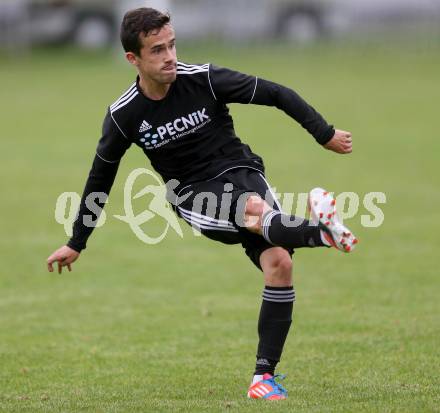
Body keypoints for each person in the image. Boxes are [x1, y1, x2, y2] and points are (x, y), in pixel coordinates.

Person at [46, 7, 357, 400]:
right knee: (256, 213)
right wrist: (77, 241)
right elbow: (99, 179)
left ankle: (263, 378)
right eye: (157, 50)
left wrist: (324, 133)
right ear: (133, 59)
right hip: (193, 192)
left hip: (242, 170)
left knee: (279, 263)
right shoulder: (124, 115)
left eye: (172, 45)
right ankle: (324, 233)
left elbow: (276, 93)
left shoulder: (205, 79)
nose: (170, 56)